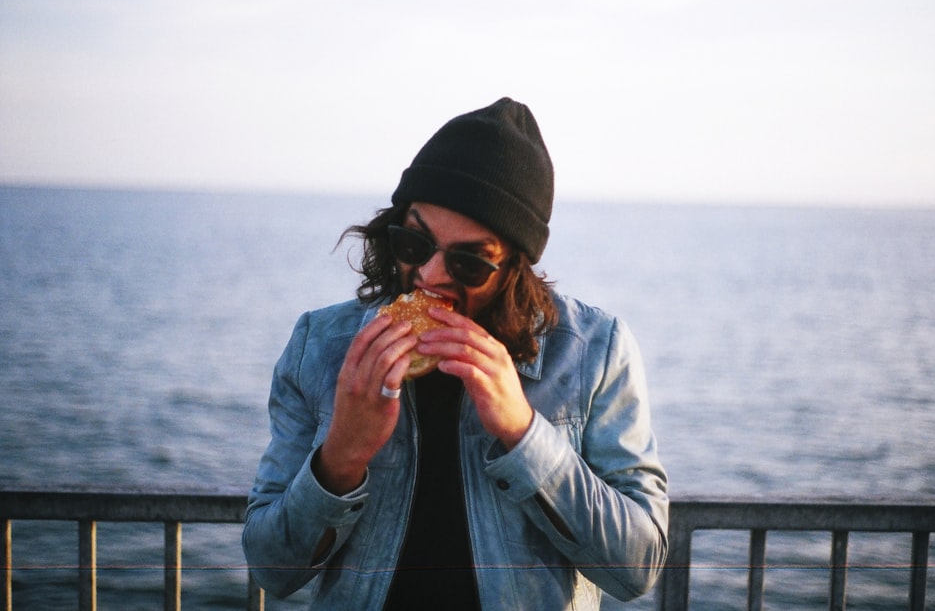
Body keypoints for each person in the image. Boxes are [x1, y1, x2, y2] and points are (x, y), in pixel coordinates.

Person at [242, 97, 669, 609]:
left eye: (468, 262)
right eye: (414, 244)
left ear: (515, 268)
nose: (429, 275)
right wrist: (342, 454)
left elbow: (638, 568)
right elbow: (272, 570)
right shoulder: (319, 346)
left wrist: (524, 433)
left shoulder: (594, 352)